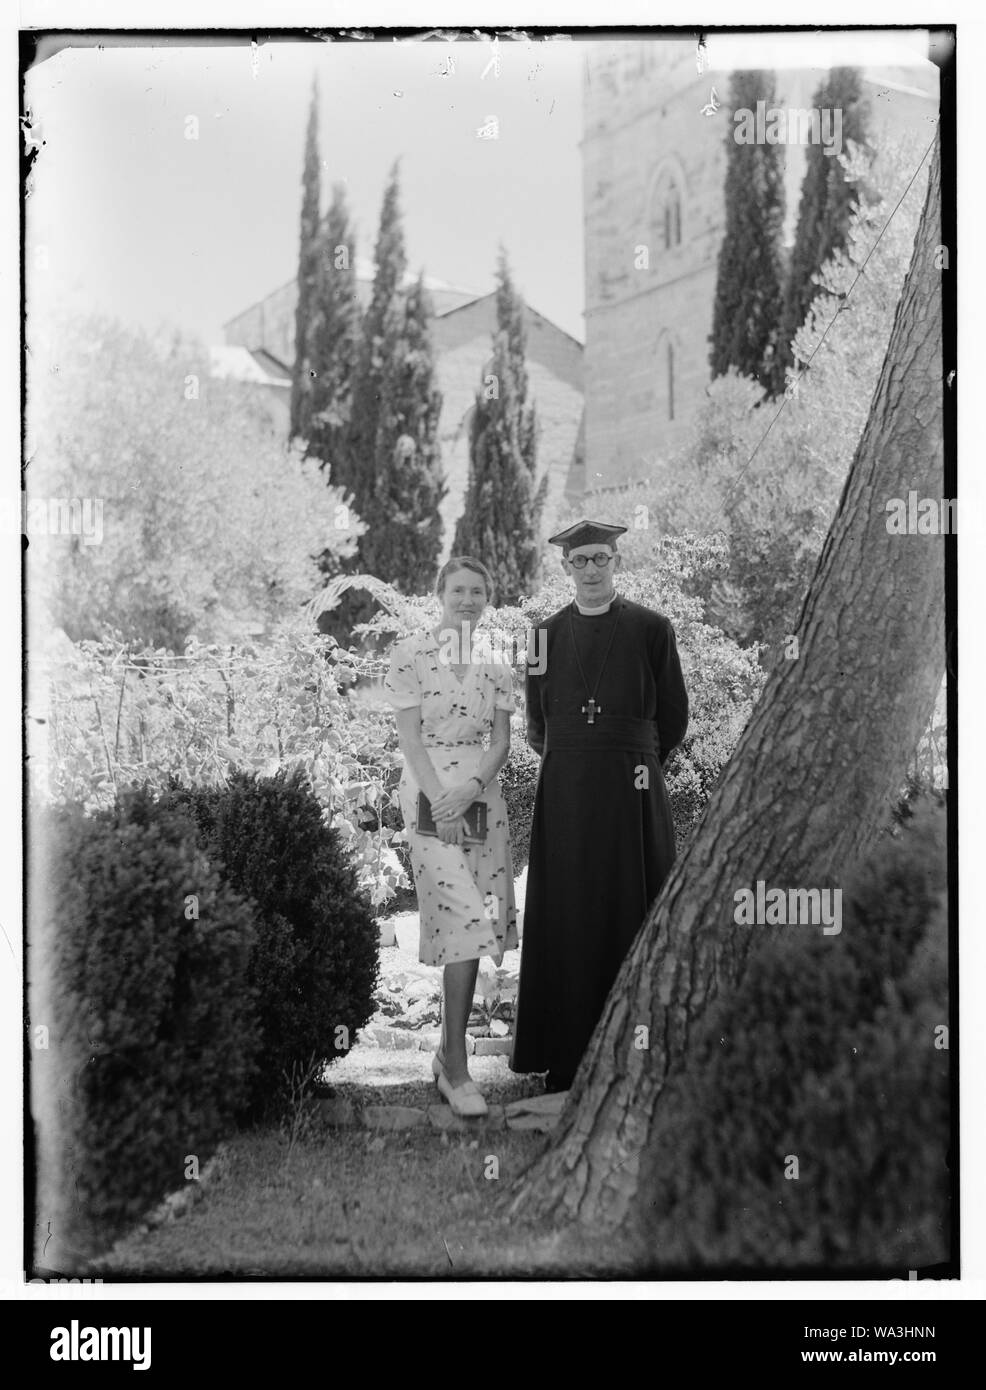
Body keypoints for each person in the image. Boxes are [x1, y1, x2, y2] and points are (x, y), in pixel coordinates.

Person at [510, 520, 689, 1092]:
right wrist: (579, 757)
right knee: (568, 913)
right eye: (580, 560)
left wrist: (628, 755)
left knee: (632, 911)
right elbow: (538, 725)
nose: (591, 569)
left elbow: (674, 719)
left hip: (632, 790)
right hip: (566, 789)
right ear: (566, 567)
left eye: (601, 559)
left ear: (616, 561)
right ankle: (564, 1059)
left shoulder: (652, 628)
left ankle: (637, 1057)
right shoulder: (544, 636)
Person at [383, 556, 518, 1118]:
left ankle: (446, 1055)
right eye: (458, 590)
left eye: (478, 592)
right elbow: (411, 741)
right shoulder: (410, 654)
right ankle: (457, 1068)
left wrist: (473, 787)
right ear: (439, 592)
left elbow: (503, 741)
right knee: (458, 916)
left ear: (488, 599)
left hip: (481, 796)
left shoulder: (497, 659)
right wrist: (442, 799)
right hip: (428, 795)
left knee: (478, 925)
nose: (468, 600)